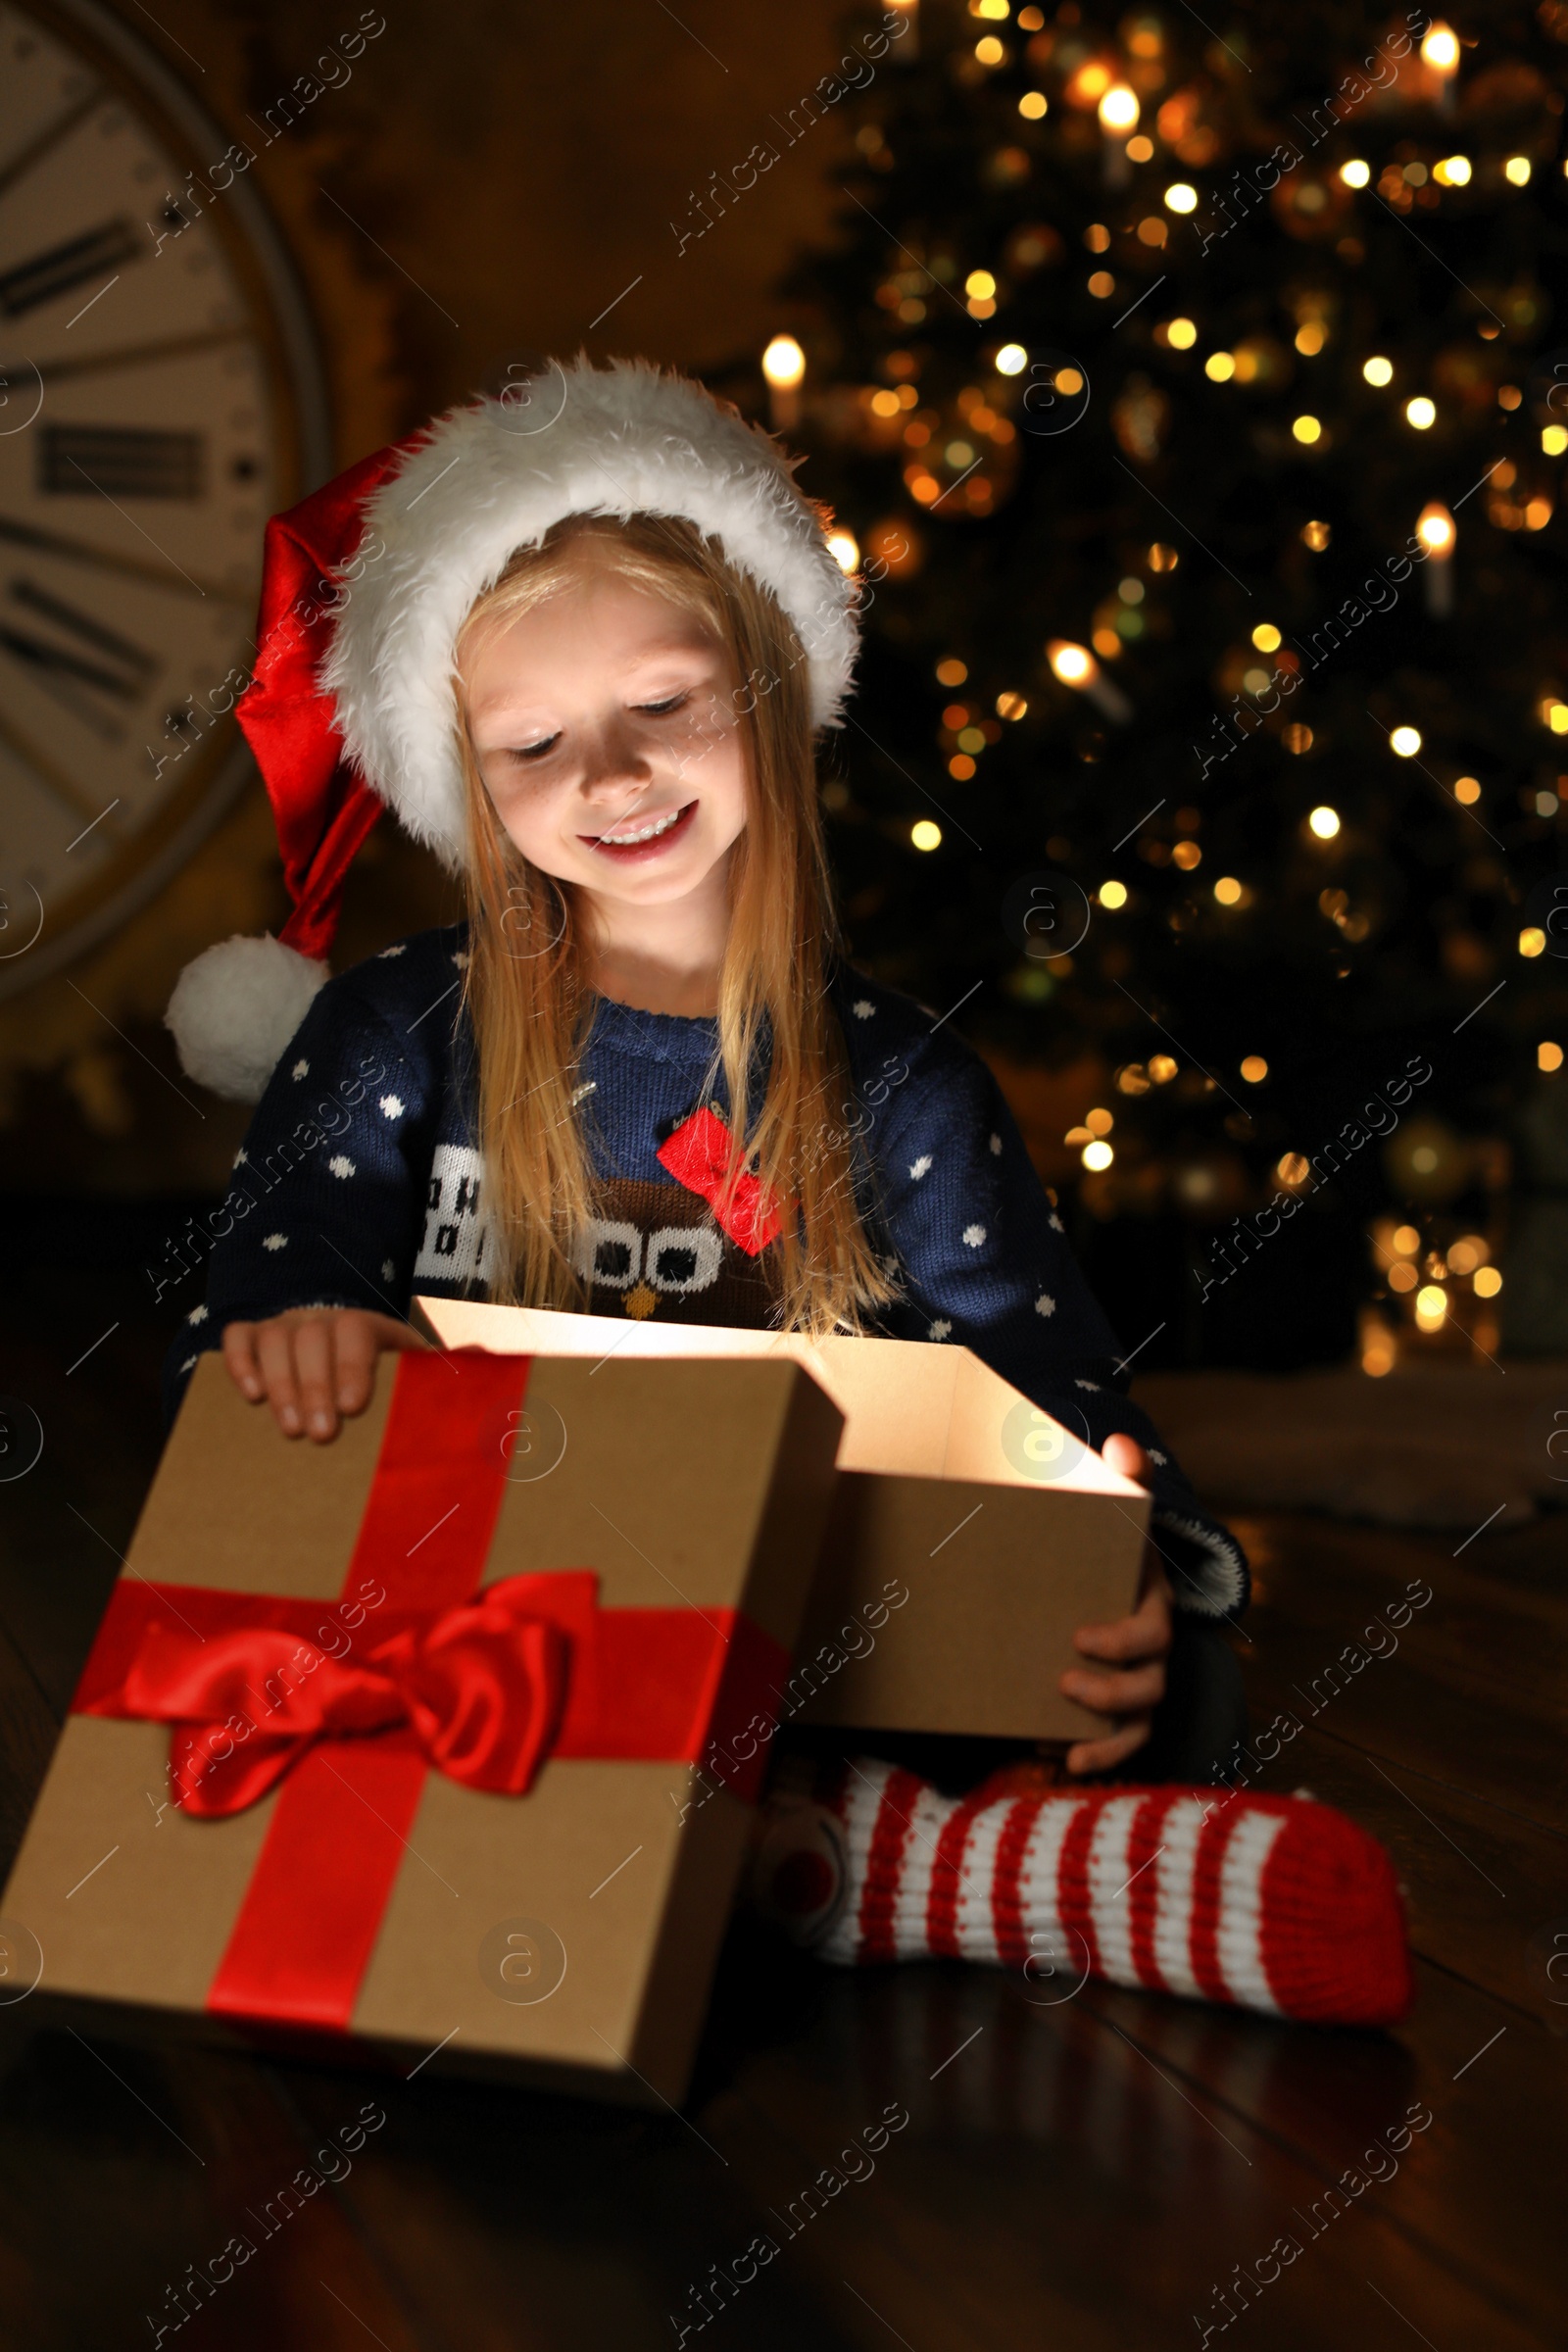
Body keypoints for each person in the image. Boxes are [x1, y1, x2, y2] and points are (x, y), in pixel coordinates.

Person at [164, 357, 1248, 1790]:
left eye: (663, 702)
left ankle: (858, 1861)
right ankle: (846, 1883)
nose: (611, 775)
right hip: (466, 1687)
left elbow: (1053, 1393)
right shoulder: (388, 1034)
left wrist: (1125, 1558)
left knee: (1165, 1697)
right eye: (534, 743)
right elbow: (257, 1301)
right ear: (470, 782)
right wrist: (298, 1326)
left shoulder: (901, 1086)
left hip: (804, 1683)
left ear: (765, 681)